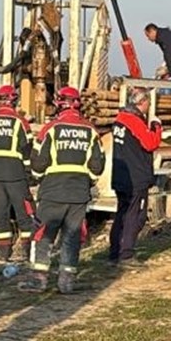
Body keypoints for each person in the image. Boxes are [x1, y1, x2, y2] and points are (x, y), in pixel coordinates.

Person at [21, 86, 104, 294]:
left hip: (52, 192)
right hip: (78, 194)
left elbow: (38, 164)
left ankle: (38, 280)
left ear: (60, 104)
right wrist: (88, 182)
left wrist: (41, 179)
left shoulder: (51, 129)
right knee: (72, 237)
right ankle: (66, 282)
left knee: (43, 235)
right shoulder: (91, 131)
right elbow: (98, 166)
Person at [0, 85, 37, 261]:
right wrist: (29, 173)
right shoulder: (20, 122)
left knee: (0, 215)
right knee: (24, 214)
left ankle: (3, 254)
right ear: (14, 100)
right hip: (16, 174)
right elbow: (27, 149)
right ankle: (27, 253)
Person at [108, 88, 163, 267]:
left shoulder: (119, 120)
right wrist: (156, 127)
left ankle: (114, 252)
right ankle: (127, 254)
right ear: (142, 102)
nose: (149, 107)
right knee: (136, 216)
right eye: (148, 103)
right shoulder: (134, 122)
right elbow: (151, 143)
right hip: (135, 178)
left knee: (121, 213)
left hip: (120, 176)